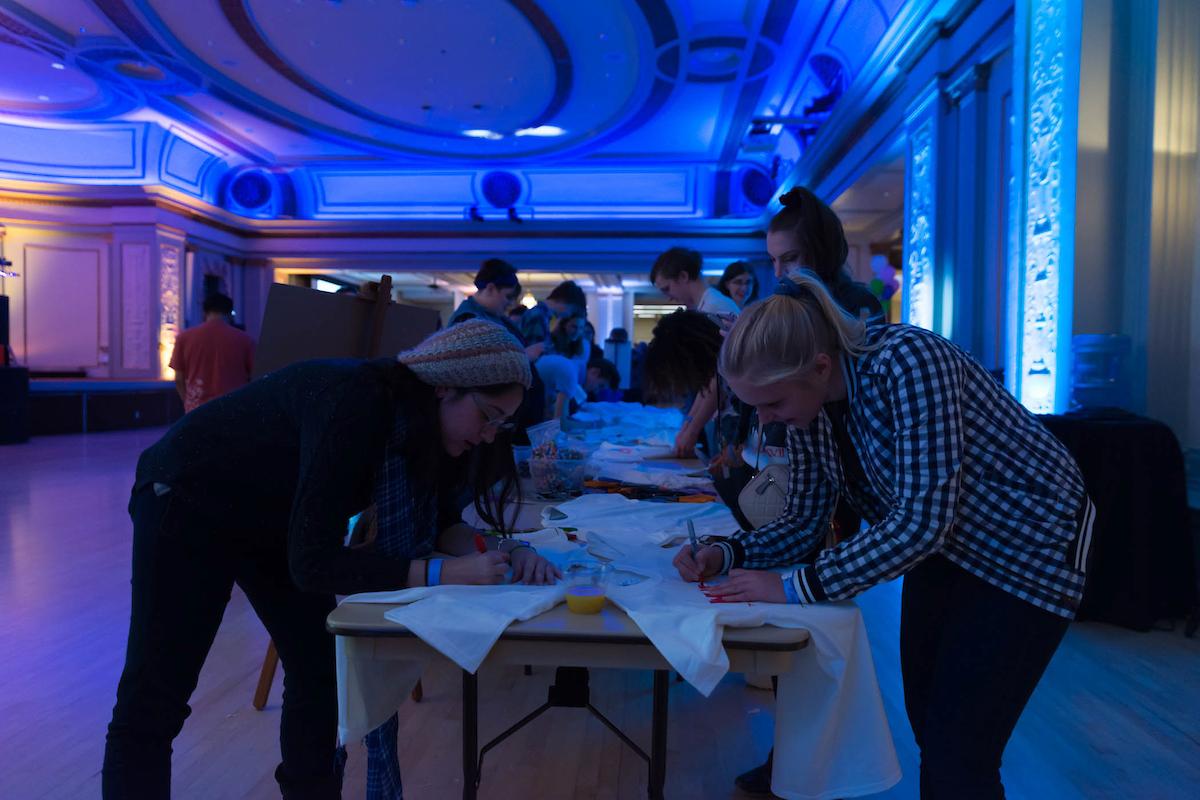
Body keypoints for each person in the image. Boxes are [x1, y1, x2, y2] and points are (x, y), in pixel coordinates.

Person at [675, 274, 1094, 799]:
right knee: (931, 726)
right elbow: (805, 520)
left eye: (773, 404)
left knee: (959, 748)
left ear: (820, 367)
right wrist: (727, 551)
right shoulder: (809, 409)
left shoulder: (908, 361)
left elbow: (920, 521)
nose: (766, 421)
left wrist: (790, 588)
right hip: (947, 548)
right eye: (755, 407)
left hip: (1029, 546)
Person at [102, 320, 560, 800]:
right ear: (445, 386)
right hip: (187, 495)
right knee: (154, 699)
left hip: (271, 513)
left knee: (318, 671)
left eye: (500, 424)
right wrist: (440, 571)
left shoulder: (427, 430)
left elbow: (444, 523)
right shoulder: (359, 403)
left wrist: (510, 551)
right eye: (487, 416)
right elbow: (314, 562)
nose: (489, 436)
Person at [766, 187, 882, 321]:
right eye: (773, 260)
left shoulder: (860, 304)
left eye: (790, 258)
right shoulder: (783, 307)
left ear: (821, 252)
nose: (778, 273)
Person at [169, 293, 255, 413]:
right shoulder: (245, 340)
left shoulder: (184, 338)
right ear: (230, 313)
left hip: (197, 408)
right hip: (233, 408)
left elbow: (179, 379)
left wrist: (188, 402)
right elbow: (254, 376)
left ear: (204, 313)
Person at [650, 246, 741, 316]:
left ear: (683, 276)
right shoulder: (707, 305)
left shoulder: (714, 308)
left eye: (667, 289)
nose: (669, 298)